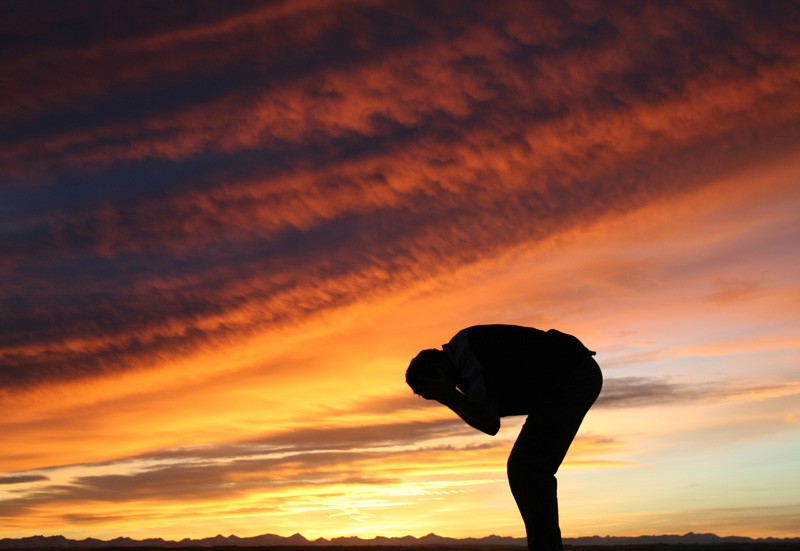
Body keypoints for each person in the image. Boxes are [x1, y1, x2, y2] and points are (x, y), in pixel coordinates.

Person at [405, 324, 602, 551]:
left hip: (572, 376)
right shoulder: (465, 366)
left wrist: (449, 396)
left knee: (527, 467)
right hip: (561, 383)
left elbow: (489, 422)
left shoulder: (469, 354)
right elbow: (488, 421)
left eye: (432, 393)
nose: (437, 397)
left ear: (437, 370)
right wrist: (450, 396)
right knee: (525, 467)